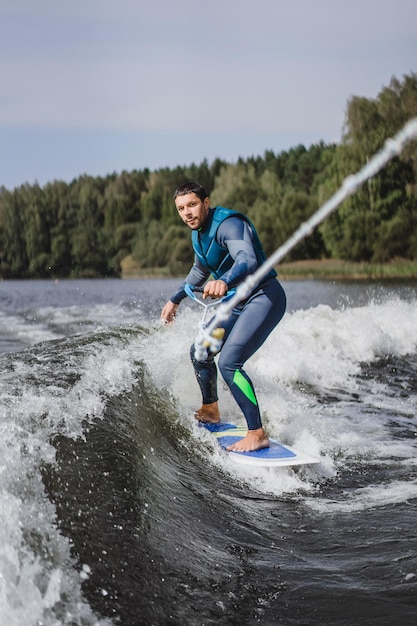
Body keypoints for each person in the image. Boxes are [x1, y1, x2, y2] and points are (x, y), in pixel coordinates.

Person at [161, 181, 286, 452]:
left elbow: (247, 259)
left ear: (206, 202)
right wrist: (175, 298)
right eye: (181, 209)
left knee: (229, 362)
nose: (187, 213)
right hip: (237, 303)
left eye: (192, 205)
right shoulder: (198, 234)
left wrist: (225, 281)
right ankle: (210, 409)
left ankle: (257, 433)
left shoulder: (229, 224)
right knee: (201, 350)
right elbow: (199, 271)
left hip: (263, 297)